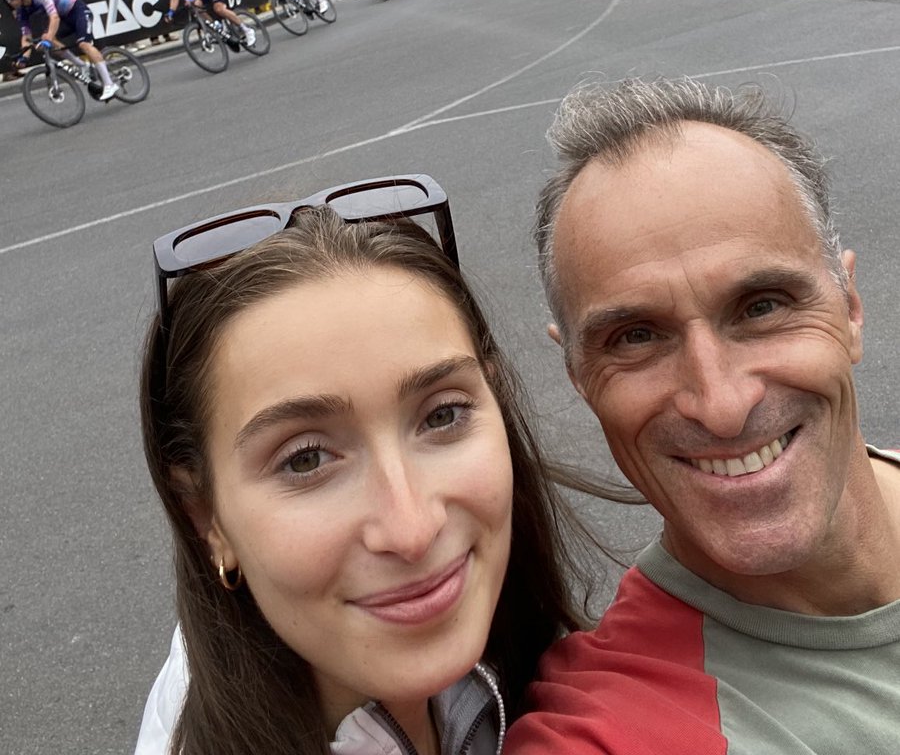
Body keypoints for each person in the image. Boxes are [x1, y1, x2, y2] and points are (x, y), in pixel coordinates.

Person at [505, 77, 900, 754]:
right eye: (635, 337)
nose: (722, 405)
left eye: (763, 305)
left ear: (851, 307)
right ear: (577, 376)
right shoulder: (602, 730)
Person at [136, 182, 588, 754]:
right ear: (205, 517)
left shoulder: (530, 663)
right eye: (305, 459)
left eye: (443, 415)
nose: (412, 530)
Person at [0, 0, 119, 99]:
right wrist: (24, 58)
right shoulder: (21, 11)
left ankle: (110, 84)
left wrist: (48, 39)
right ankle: (81, 65)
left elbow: (54, 17)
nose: (9, 2)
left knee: (84, 44)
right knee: (48, 38)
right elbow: (26, 37)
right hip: (65, 18)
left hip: (78, 10)